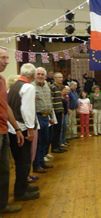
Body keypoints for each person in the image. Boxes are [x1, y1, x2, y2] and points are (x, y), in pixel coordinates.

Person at [7, 63, 40, 201]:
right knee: (24, 161)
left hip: (13, 128)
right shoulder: (28, 87)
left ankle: (23, 186)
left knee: (20, 160)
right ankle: (21, 192)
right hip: (23, 129)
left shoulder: (13, 86)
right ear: (32, 76)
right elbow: (27, 110)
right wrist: (30, 129)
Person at [0, 47, 23, 215]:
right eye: (3, 58)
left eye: (7, 58)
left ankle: (3, 205)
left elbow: (5, 106)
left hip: (3, 130)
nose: (7, 62)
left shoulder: (1, 80)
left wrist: (17, 128)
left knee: (4, 170)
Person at [32, 67, 55, 174]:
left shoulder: (47, 87)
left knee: (45, 141)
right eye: (38, 74)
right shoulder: (31, 87)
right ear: (34, 75)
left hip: (46, 117)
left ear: (45, 76)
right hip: (37, 117)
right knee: (38, 142)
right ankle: (36, 165)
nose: (40, 76)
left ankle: (42, 161)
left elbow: (50, 102)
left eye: (42, 74)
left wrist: (52, 116)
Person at [50, 72, 66, 153]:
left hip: (59, 111)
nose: (61, 79)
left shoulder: (59, 87)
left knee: (59, 129)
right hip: (55, 112)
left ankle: (58, 145)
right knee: (55, 130)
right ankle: (54, 147)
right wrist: (52, 114)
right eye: (59, 77)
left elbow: (60, 101)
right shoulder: (52, 87)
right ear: (55, 78)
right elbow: (51, 100)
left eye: (62, 77)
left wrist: (62, 111)